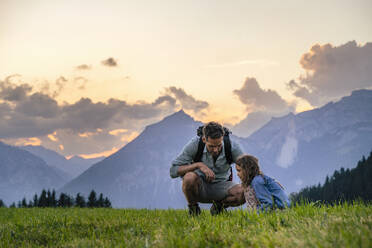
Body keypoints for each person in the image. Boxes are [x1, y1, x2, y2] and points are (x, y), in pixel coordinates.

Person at [170, 121, 245, 216]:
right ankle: (194, 210)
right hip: (199, 187)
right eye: (211, 146)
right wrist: (198, 165)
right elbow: (173, 171)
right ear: (204, 139)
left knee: (242, 192)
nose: (216, 150)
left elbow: (246, 167)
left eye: (219, 145)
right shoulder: (195, 144)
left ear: (222, 138)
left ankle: (218, 208)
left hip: (222, 187)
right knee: (189, 177)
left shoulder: (232, 146)